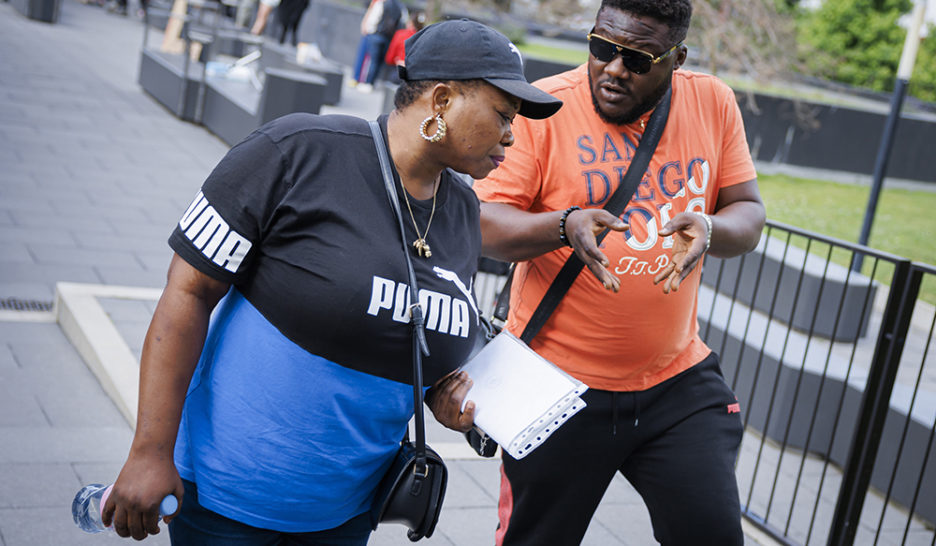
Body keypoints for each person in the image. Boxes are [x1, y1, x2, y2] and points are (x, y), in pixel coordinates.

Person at [101, 19, 561, 545]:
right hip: (229, 502)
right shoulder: (296, 152)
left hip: (345, 515)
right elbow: (187, 293)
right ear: (441, 99)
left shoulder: (460, 210)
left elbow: (409, 324)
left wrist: (439, 396)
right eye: (504, 114)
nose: (511, 134)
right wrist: (148, 452)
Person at [472, 0, 766, 544]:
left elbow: (748, 211)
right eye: (602, 48)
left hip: (675, 382)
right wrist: (562, 226)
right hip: (555, 387)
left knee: (714, 534)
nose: (612, 68)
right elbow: (484, 224)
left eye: (636, 59)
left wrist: (711, 228)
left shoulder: (713, 103)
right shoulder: (545, 108)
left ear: (675, 58)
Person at [350, 0, 402, 92]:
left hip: (376, 35)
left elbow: (374, 19)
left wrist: (370, 30)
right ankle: (372, 83)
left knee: (372, 61)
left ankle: (367, 83)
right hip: (388, 37)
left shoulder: (381, 4)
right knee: (379, 62)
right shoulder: (399, 6)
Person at [383, 9, 426, 83]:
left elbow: (391, 55)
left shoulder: (401, 34)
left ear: (411, 23)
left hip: (398, 70)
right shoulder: (424, 37)